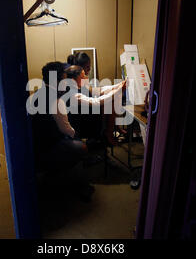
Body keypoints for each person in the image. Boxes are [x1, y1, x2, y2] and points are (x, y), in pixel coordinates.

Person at [30, 61, 93, 201]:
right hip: (49, 149)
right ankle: (80, 186)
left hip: (36, 147)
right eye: (64, 79)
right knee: (81, 146)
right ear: (57, 80)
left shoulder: (36, 95)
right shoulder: (56, 101)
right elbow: (67, 130)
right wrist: (76, 135)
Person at [64, 65, 126, 145]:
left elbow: (101, 90)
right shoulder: (73, 95)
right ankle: (109, 133)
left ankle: (111, 131)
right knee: (110, 101)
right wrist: (119, 90)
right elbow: (96, 102)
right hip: (83, 124)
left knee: (109, 97)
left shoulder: (80, 87)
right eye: (83, 76)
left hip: (87, 116)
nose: (86, 77)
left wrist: (119, 85)